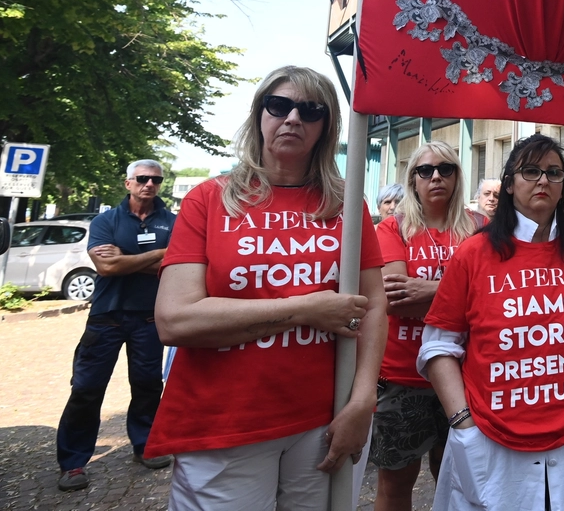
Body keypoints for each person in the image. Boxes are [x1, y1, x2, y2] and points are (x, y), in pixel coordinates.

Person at [147, 66, 387, 509]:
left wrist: (362, 401)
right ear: (260, 114)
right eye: (280, 106)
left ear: (326, 127)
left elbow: (373, 307)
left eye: (310, 110)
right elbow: (175, 320)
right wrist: (302, 309)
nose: (293, 118)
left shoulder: (346, 205)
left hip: (325, 420)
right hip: (223, 423)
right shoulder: (209, 199)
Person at [419, 134, 564, 510]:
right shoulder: (473, 253)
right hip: (492, 438)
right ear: (508, 184)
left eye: (554, 173)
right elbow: (438, 345)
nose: (543, 181)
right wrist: (463, 423)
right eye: (531, 171)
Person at [371, 142, 482, 511]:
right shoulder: (393, 228)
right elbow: (396, 298)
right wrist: (463, 295)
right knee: (396, 481)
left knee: (455, 475)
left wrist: (429, 291)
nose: (436, 176)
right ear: (413, 180)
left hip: (467, 374)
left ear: (457, 176)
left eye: (446, 169)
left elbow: (492, 297)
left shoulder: (481, 227)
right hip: (403, 376)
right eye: (425, 170)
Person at [55, 159, 176, 492]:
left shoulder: (174, 222)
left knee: (148, 384)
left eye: (155, 180)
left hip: (150, 317)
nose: (148, 184)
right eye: (142, 179)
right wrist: (157, 255)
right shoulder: (105, 219)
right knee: (86, 389)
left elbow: (174, 268)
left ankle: (145, 445)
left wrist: (126, 260)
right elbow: (106, 268)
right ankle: (73, 463)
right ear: (128, 183)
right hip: (106, 317)